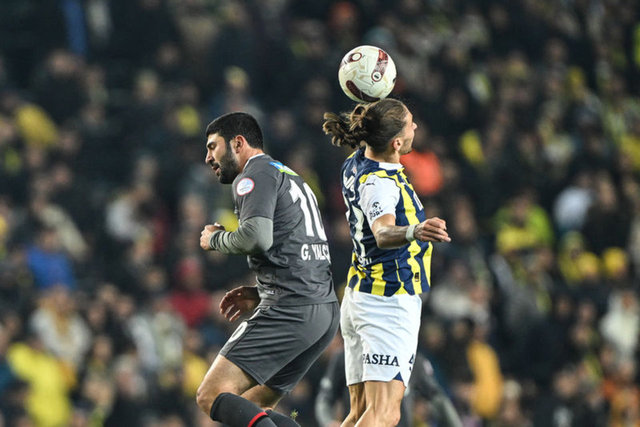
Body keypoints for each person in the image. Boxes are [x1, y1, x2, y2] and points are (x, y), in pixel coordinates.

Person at [196, 112, 339, 427]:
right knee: (251, 405)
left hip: (290, 309)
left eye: (212, 147)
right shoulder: (287, 174)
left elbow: (257, 238)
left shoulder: (253, 175)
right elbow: (297, 248)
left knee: (210, 394)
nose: (208, 158)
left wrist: (214, 239)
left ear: (238, 143)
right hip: (322, 310)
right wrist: (262, 291)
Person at [322, 98, 451, 427]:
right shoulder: (380, 183)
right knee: (385, 414)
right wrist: (415, 230)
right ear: (395, 142)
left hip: (360, 297)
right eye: (410, 124)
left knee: (360, 413)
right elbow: (381, 232)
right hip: (387, 301)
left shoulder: (355, 162)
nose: (415, 127)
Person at [315, 348, 463, 427]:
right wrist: (329, 422)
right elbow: (325, 399)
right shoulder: (346, 358)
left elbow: (438, 398)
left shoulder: (412, 360)